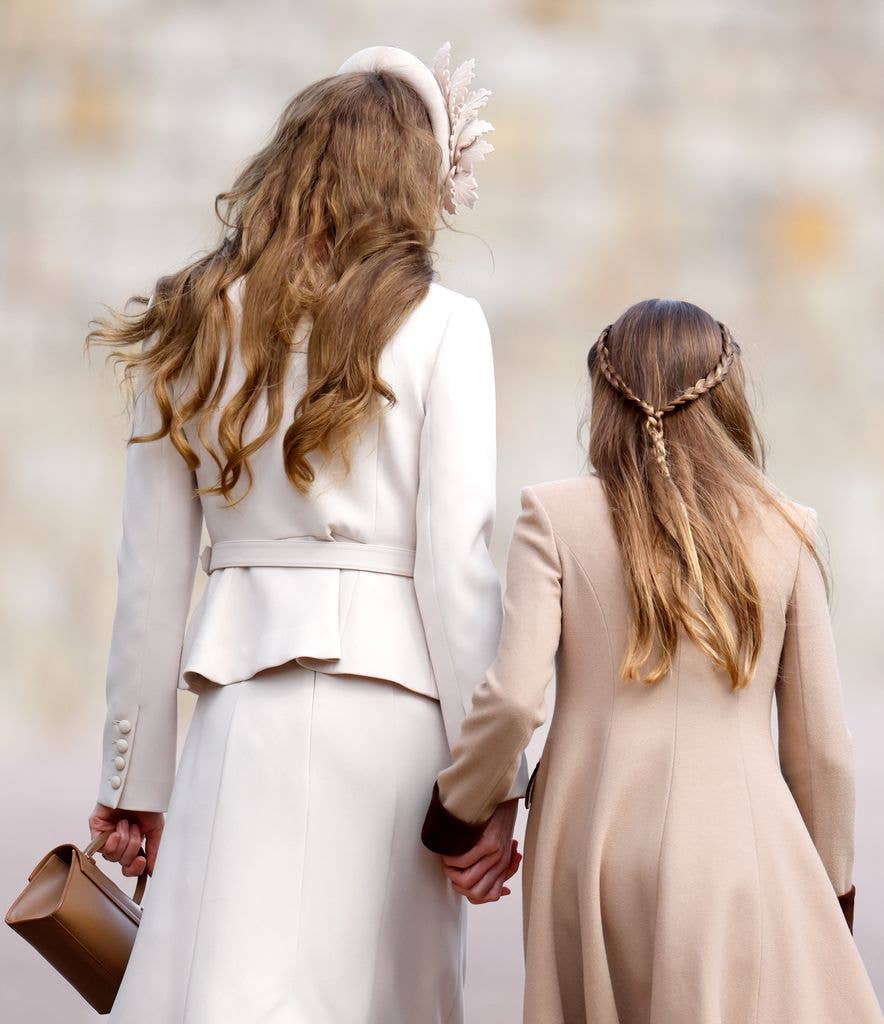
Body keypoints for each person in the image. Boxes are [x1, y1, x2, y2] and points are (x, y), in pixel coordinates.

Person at [86, 44, 525, 1024]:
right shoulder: (447, 327)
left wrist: (131, 780)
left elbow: (149, 581)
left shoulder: (192, 322)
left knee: (234, 986)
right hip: (396, 725)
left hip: (243, 715)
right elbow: (456, 575)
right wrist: (488, 784)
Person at [422, 299, 882, 1023]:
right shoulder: (788, 527)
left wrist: (460, 813)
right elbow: (822, 752)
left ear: (605, 396)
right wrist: (831, 896)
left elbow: (513, 701)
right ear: (727, 395)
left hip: (591, 844)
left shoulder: (553, 514)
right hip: (743, 850)